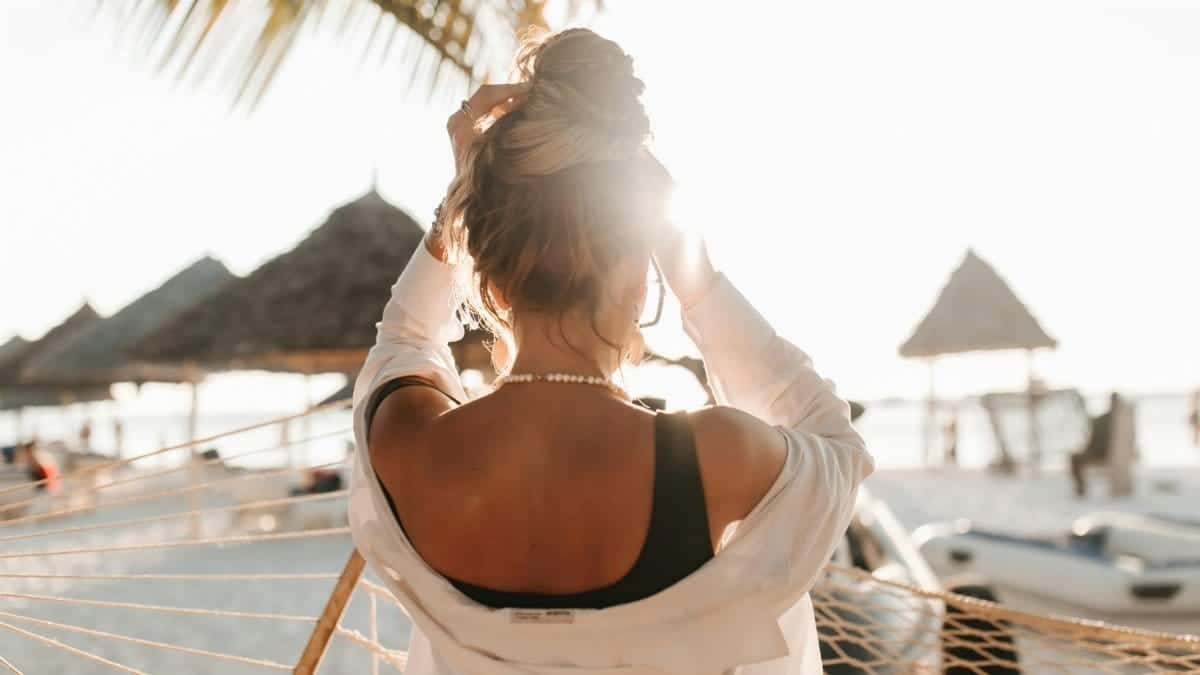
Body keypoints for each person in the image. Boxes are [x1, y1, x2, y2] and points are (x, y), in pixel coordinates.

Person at [348, 29, 872, 675]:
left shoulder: (411, 445)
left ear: (489, 276)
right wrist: (691, 269)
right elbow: (832, 439)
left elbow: (401, 339)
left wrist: (456, 203)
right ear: (638, 271)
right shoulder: (714, 459)